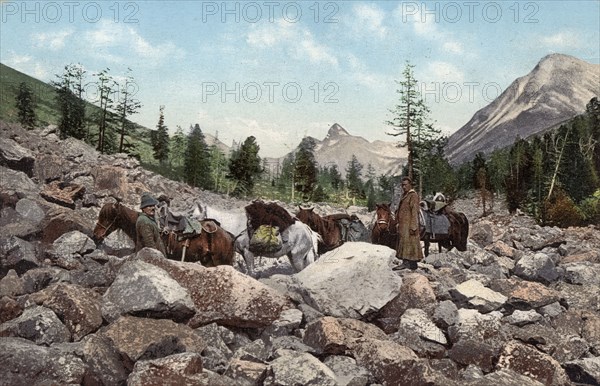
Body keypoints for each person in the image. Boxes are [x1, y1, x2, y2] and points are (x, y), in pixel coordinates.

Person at [395, 177, 423, 270]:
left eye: (405, 185)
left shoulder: (413, 195)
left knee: (409, 243)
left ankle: (406, 263)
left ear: (410, 185)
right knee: (408, 242)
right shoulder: (405, 195)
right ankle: (412, 264)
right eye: (402, 185)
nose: (403, 187)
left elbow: (415, 211)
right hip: (404, 224)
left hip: (409, 224)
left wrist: (413, 225)